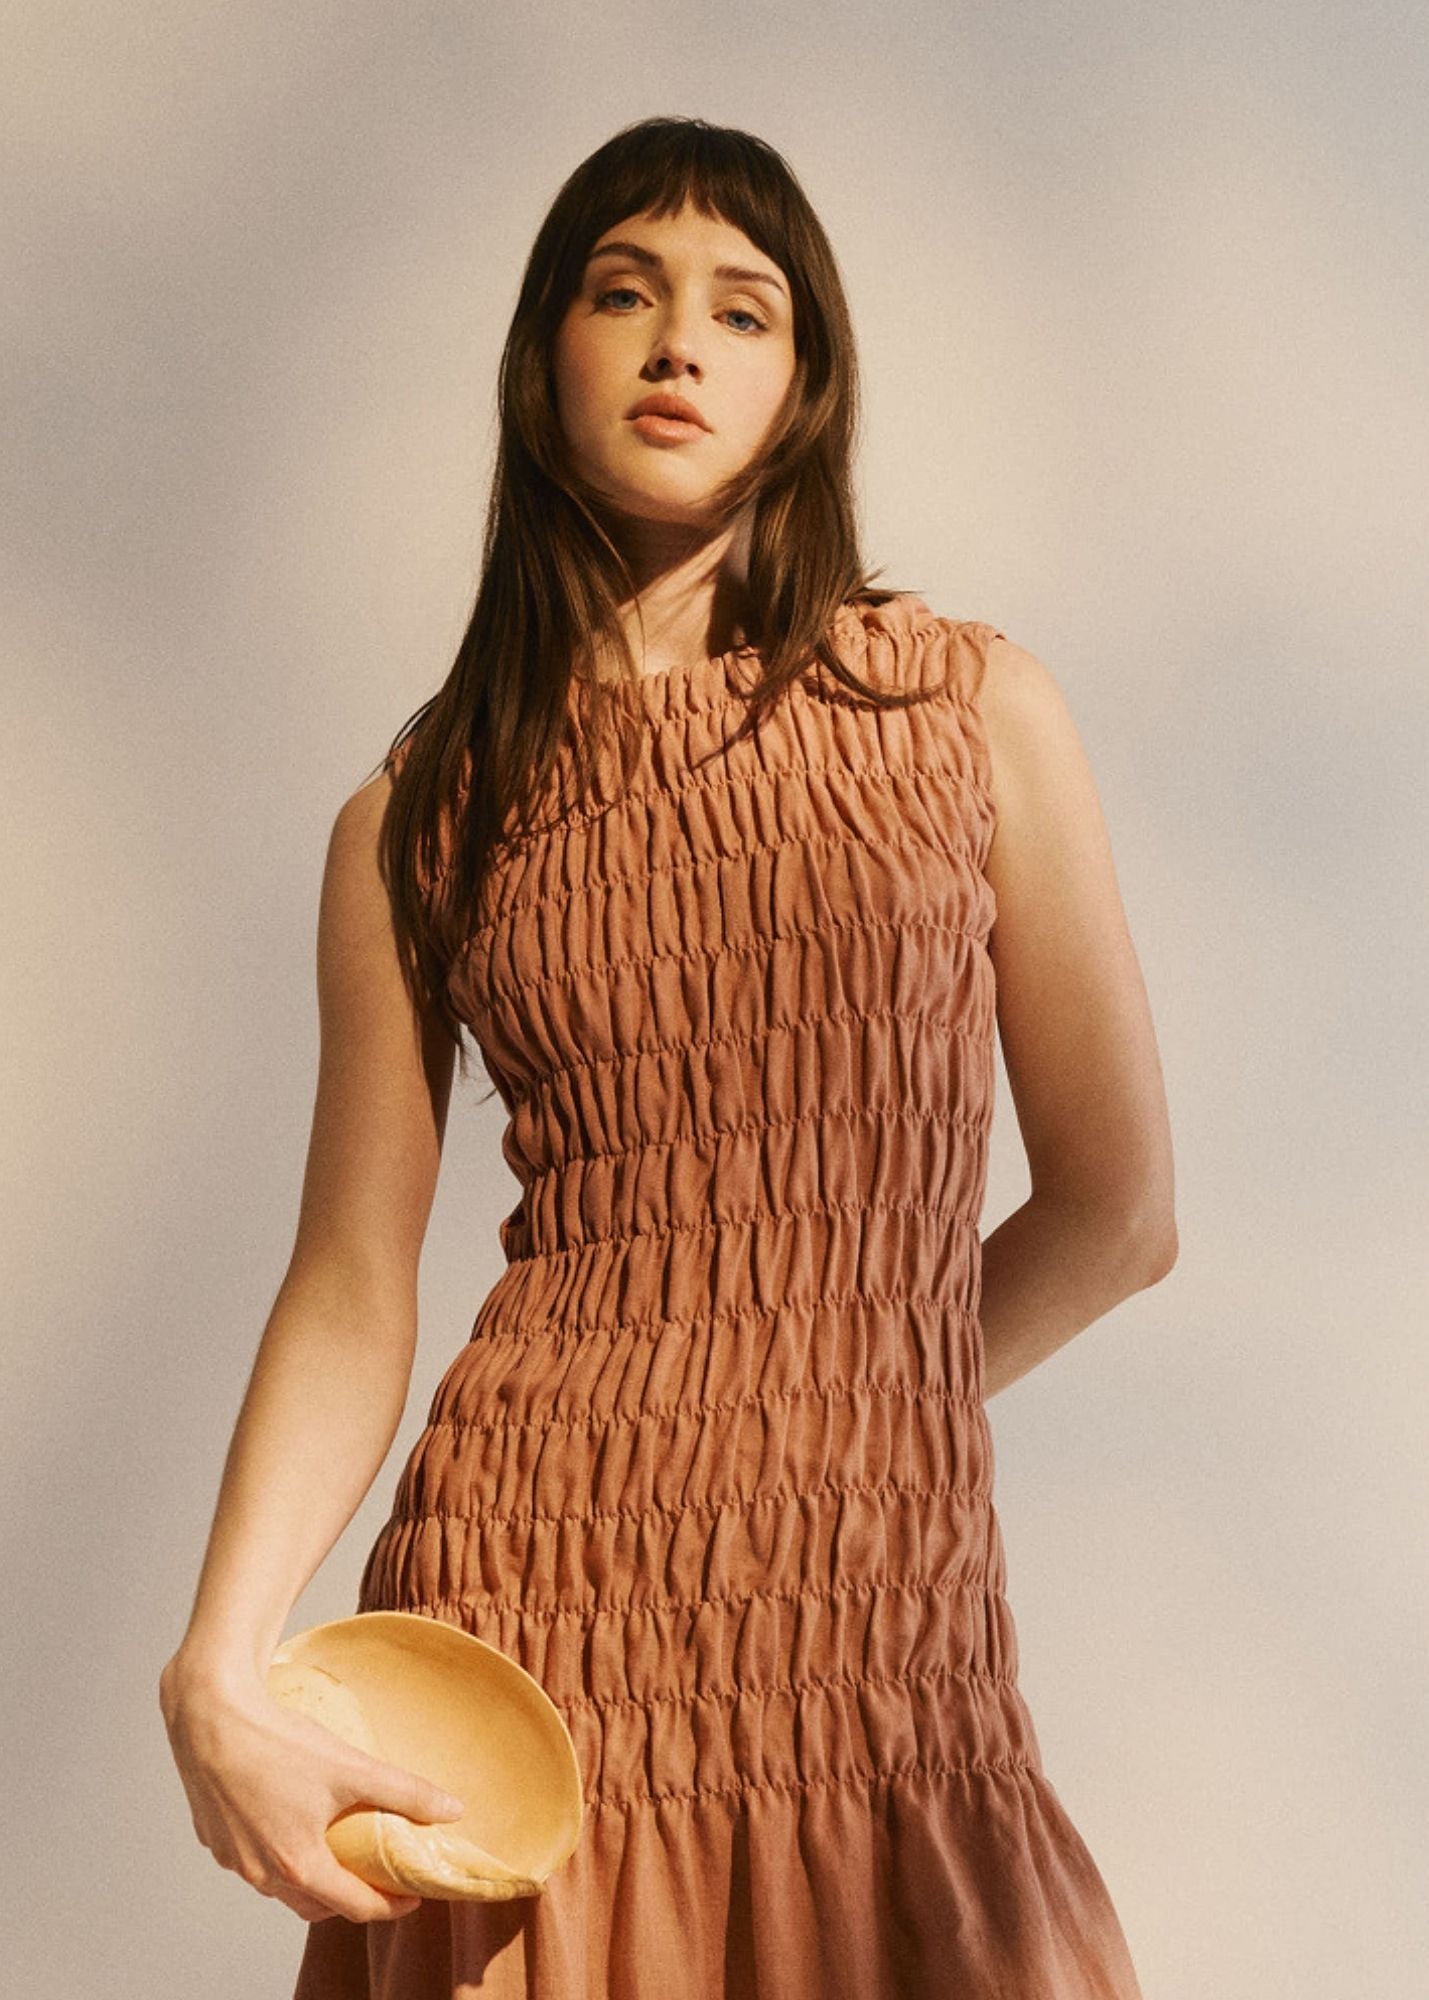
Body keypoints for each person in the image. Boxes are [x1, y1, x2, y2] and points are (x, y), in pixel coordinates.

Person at [159, 115, 1175, 1999]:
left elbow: (1117, 1214)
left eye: (741, 308)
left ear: (804, 389)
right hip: (520, 1622)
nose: (678, 343)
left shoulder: (968, 712)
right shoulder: (420, 816)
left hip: (859, 1619)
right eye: (622, 294)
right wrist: (217, 1657)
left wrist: (846, 1410)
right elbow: (351, 1279)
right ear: (544, 360)